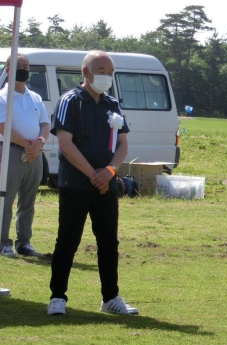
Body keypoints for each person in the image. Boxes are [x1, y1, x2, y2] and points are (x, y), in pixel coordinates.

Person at [47, 51, 138, 316]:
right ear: (85, 72)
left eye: (110, 72)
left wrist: (109, 172)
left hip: (106, 186)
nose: (107, 76)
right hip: (75, 184)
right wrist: (92, 174)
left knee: (108, 241)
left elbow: (122, 144)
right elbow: (65, 143)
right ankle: (57, 297)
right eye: (101, 70)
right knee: (68, 240)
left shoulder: (112, 104)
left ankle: (110, 297)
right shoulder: (70, 101)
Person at [0, 53, 50, 258]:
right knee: (5, 200)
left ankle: (24, 242)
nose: (22, 68)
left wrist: (39, 144)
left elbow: (45, 124)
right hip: (10, 152)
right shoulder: (3, 97)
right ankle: (3, 243)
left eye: (25, 65)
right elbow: (3, 126)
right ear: (8, 70)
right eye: (17, 65)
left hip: (35, 155)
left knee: (28, 201)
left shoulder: (35, 97)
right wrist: (27, 145)